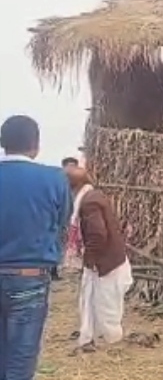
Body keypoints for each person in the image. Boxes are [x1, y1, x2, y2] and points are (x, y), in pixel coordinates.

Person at [0, 115, 72, 379]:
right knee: (20, 360)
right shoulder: (53, 178)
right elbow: (62, 221)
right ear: (36, 144)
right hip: (29, 278)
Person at [66, 166, 133, 352]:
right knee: (100, 302)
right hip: (109, 260)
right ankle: (98, 338)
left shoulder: (89, 202)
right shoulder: (93, 196)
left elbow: (97, 234)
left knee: (105, 306)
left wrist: (90, 259)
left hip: (107, 264)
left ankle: (111, 342)